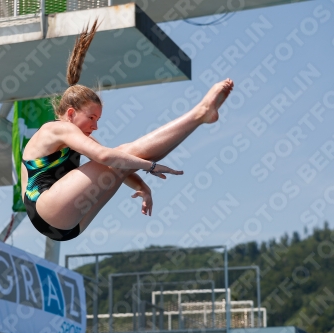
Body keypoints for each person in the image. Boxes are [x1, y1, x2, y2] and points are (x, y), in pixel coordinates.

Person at [21, 21, 234, 241]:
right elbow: (106, 156)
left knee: (120, 163)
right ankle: (200, 113)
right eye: (91, 118)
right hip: (46, 209)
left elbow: (116, 161)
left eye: (98, 119)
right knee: (123, 154)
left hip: (68, 226)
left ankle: (201, 115)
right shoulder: (56, 129)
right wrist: (149, 166)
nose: (95, 126)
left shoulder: (75, 135)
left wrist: (143, 185)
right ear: (72, 113)